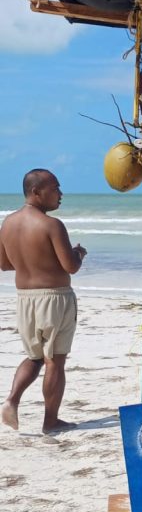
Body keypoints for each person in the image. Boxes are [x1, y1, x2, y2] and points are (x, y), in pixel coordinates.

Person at [0, 169, 87, 434]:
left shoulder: (8, 223)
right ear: (36, 192)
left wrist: (33, 262)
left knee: (34, 356)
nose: (60, 194)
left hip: (25, 298)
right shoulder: (52, 225)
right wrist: (78, 253)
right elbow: (70, 267)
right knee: (55, 361)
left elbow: (4, 265)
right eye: (55, 188)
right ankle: (50, 421)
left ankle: (11, 400)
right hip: (55, 297)